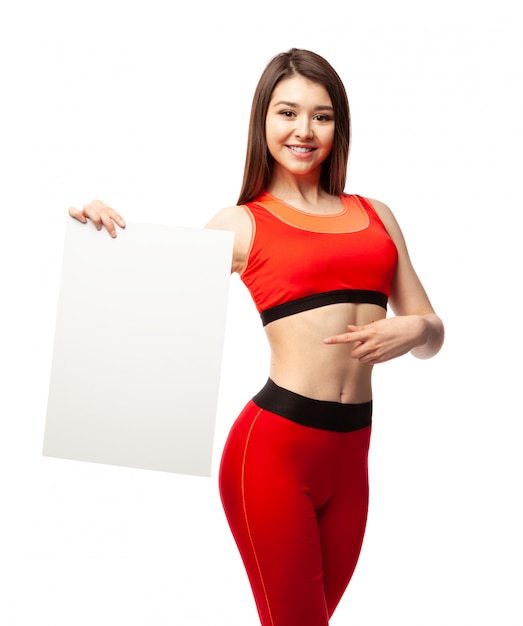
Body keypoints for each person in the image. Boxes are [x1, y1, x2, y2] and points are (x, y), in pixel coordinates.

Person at [69, 48, 444, 626]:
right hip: (272, 453)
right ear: (263, 121)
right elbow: (146, 302)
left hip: (353, 457)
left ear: (339, 125)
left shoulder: (377, 215)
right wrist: (100, 231)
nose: (304, 130)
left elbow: (431, 331)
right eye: (287, 112)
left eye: (322, 115)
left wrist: (416, 327)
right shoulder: (242, 222)